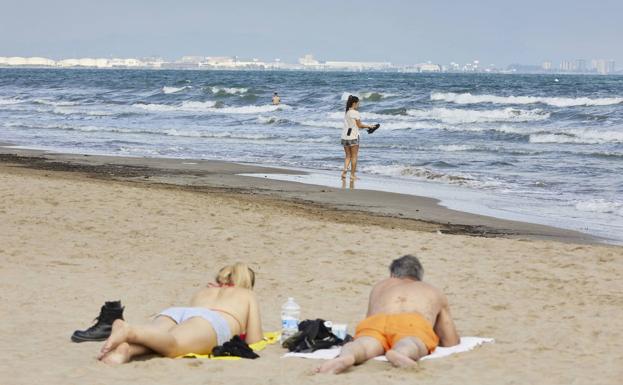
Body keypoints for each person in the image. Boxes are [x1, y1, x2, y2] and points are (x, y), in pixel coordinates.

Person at [317, 255, 460, 374]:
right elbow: (450, 341)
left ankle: (348, 355)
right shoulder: (431, 290)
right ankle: (401, 353)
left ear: (393, 274)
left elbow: (369, 317)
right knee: (410, 342)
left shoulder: (381, 285)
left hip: (376, 322)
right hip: (412, 322)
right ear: (419, 276)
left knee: (364, 344)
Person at [97, 263, 263, 364]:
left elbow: (191, 317)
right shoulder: (248, 294)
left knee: (160, 340)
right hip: (212, 320)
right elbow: (254, 339)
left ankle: (126, 351)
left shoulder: (205, 290)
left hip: (178, 312)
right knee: (175, 345)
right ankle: (129, 331)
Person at [341, 95, 378, 182]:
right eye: (358, 103)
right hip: (353, 136)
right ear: (354, 103)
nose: (359, 105)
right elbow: (359, 125)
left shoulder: (347, 112)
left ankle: (344, 172)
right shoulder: (355, 113)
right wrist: (370, 126)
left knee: (347, 156)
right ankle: (352, 175)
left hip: (344, 136)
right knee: (354, 156)